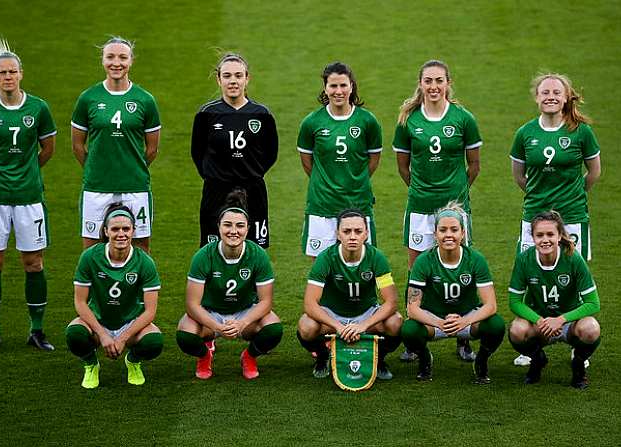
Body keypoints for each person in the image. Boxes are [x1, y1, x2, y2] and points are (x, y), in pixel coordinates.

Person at [0, 39, 56, 353]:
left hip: (29, 198)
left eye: (12, 71)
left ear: (21, 74)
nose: (7, 77)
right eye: (1, 72)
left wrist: (25, 171)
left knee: (33, 263)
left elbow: (48, 149)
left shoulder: (38, 108)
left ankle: (37, 331)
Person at [393, 60, 482, 363]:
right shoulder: (408, 120)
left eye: (439, 80)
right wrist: (423, 189)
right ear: (420, 83)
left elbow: (474, 166)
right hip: (419, 206)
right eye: (428, 81)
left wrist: (454, 195)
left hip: (455, 207)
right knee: (416, 270)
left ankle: (464, 335)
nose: (433, 86)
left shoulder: (463, 119)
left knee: (461, 267)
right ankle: (415, 337)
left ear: (448, 82)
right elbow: (403, 168)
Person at [510, 73, 601, 366]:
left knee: (572, 276)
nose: (550, 96)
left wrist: (571, 196)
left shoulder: (581, 132)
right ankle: (533, 344)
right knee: (532, 276)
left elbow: (594, 172)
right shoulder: (525, 133)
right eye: (545, 92)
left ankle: (576, 342)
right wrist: (542, 204)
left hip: (573, 217)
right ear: (537, 97)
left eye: (556, 92)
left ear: (565, 97)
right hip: (533, 216)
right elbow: (519, 176)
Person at [175, 189, 283, 380]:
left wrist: (242, 323)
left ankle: (249, 357)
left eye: (240, 226)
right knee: (185, 334)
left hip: (244, 312)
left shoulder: (258, 255)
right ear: (218, 227)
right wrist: (217, 326)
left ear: (248, 229)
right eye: (228, 225)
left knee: (273, 328)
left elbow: (266, 302)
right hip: (211, 313)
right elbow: (192, 305)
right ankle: (204, 355)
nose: (233, 231)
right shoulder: (203, 256)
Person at [71, 36, 161, 253]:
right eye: (110, 57)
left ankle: (138, 287)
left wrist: (132, 167)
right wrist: (96, 167)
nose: (116, 63)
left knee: (140, 248)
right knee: (91, 251)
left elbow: (152, 149)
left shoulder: (145, 100)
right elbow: (78, 146)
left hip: (135, 187)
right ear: (103, 60)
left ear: (131, 61)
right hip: (97, 187)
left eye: (122, 57)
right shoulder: (88, 98)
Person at [400, 203, 505, 384]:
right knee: (409, 330)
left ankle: (481, 360)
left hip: (466, 318)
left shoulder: (475, 259)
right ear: (435, 234)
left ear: (463, 233)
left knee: (496, 325)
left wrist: (464, 321)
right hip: (435, 320)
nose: (448, 234)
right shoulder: (424, 261)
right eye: (443, 230)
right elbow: (412, 309)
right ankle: (425, 358)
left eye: (454, 230)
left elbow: (491, 305)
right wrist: (440, 323)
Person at [65, 205, 164, 389]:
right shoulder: (89, 257)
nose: (121, 234)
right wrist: (102, 334)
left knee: (154, 342)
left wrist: (122, 338)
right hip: (98, 320)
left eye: (126, 229)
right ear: (105, 231)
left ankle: (133, 361)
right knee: (74, 334)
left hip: (129, 322)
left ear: (133, 231)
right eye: (115, 229)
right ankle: (91, 364)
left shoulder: (145, 262)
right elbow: (80, 302)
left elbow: (150, 311)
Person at [297, 209, 403, 380]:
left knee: (396, 322)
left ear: (366, 234)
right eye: (347, 231)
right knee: (306, 326)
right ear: (338, 234)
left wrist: (363, 325)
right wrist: (339, 326)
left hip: (366, 313)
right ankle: (323, 356)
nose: (352, 236)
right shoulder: (326, 258)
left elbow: (391, 302)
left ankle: (378, 359)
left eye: (358, 231)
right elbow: (310, 304)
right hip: (333, 315)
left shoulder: (376, 257)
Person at [191, 53, 278, 248]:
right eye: (227, 76)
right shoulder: (206, 114)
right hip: (216, 190)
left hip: (253, 190)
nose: (233, 81)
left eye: (238, 76)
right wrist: (213, 175)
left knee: (256, 249)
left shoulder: (261, 114)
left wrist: (252, 173)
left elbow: (271, 153)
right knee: (212, 249)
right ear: (218, 79)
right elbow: (197, 152)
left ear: (247, 79)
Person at [297, 62, 383, 258]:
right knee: (320, 267)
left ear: (351, 86)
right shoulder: (311, 123)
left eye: (343, 85)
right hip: (322, 204)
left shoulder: (368, 121)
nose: (338, 91)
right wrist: (325, 180)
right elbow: (307, 163)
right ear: (325, 88)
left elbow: (373, 161)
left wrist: (355, 179)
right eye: (333, 86)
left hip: (358, 203)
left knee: (362, 265)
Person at [508, 211, 601, 389]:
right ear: (532, 237)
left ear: (559, 236)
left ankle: (579, 365)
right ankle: (537, 360)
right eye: (539, 235)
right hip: (540, 324)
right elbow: (514, 302)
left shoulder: (573, 258)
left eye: (550, 234)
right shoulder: (524, 260)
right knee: (517, 330)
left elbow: (593, 303)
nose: (545, 240)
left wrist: (560, 320)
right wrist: (539, 320)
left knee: (591, 328)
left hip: (570, 323)